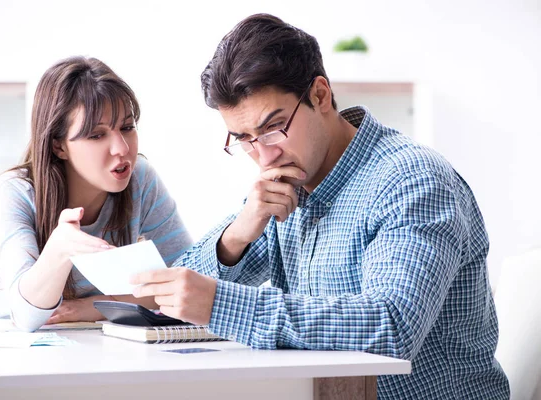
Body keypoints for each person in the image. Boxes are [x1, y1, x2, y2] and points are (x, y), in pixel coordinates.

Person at [129, 14, 510, 399]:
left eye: (274, 127)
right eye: (244, 138)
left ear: (320, 95)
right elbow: (175, 298)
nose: (263, 155)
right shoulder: (283, 186)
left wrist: (222, 304)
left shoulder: (412, 181)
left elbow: (392, 325)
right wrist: (240, 231)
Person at [0, 56, 192, 332]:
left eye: (127, 128)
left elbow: (187, 283)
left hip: (96, 338)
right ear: (59, 146)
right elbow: (26, 316)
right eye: (96, 135)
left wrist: (94, 306)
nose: (121, 148)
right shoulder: (16, 191)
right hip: (9, 343)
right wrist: (60, 249)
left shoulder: (140, 178)